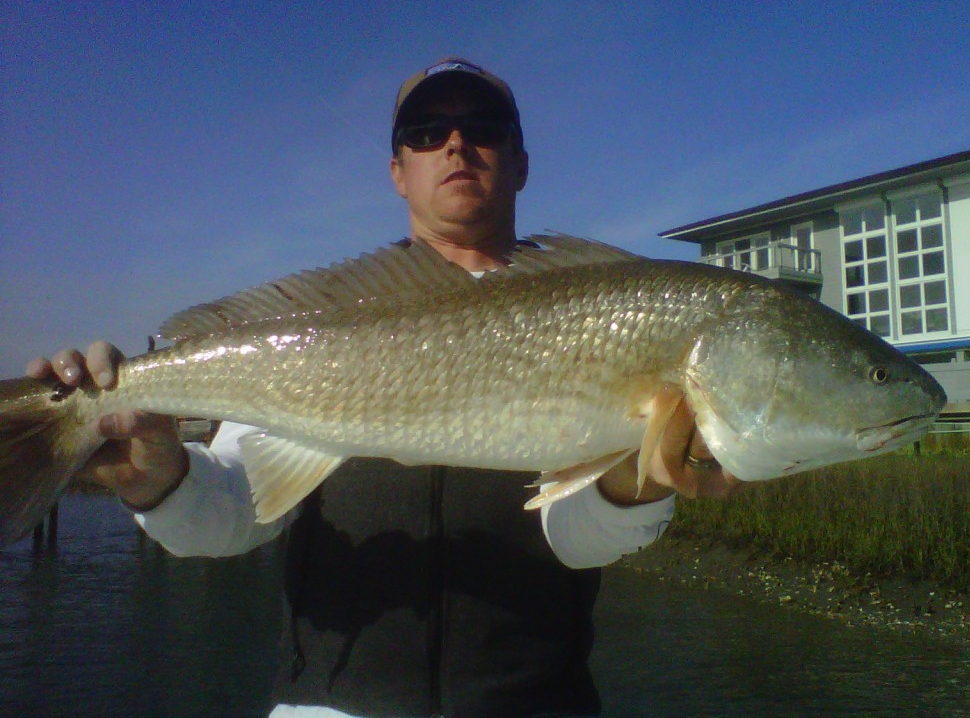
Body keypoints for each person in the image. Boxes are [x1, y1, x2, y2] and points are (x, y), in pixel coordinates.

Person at [28, 58, 742, 718]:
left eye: (484, 129)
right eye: (429, 132)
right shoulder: (324, 317)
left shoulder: (609, 311)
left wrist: (633, 488)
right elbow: (237, 511)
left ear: (521, 163)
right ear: (398, 170)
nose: (457, 145)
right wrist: (161, 479)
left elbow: (580, 540)